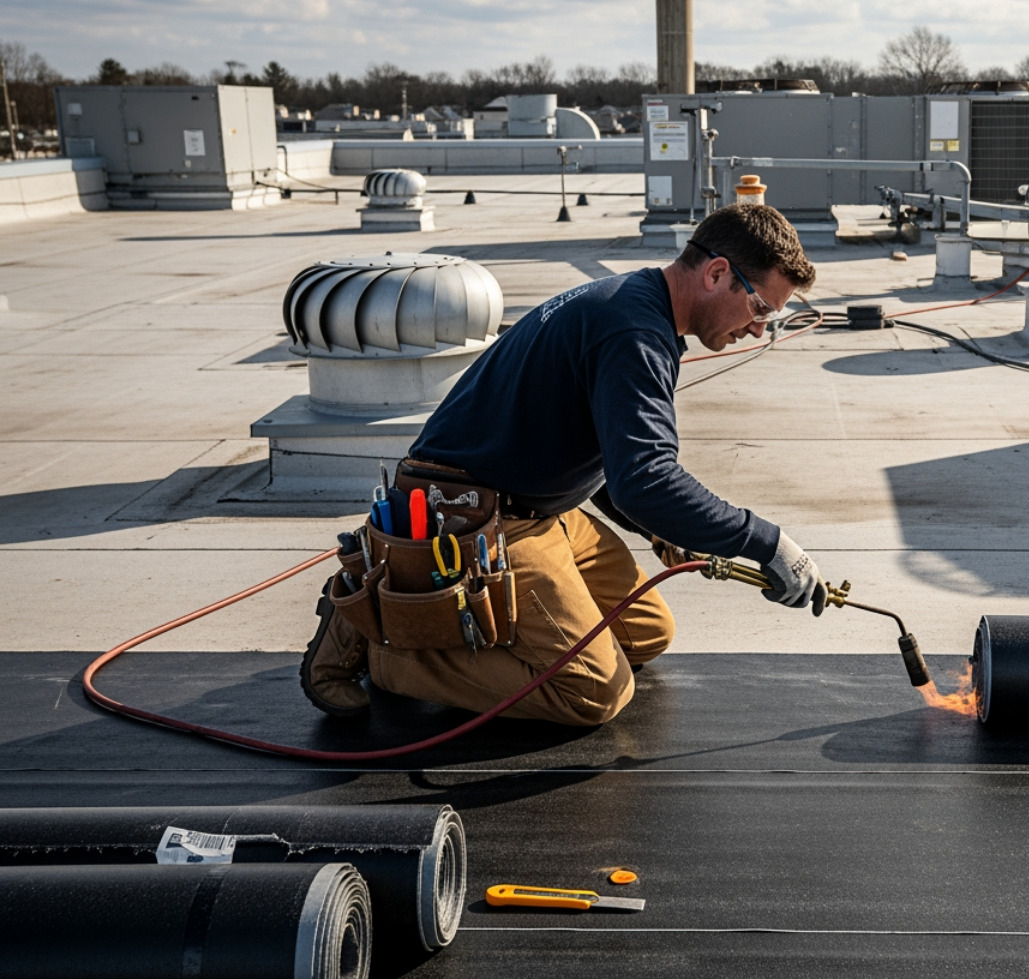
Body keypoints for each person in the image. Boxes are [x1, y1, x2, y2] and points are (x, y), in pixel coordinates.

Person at [300, 204, 827, 727]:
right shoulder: (633, 332)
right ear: (717, 273)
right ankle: (389, 646)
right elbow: (645, 479)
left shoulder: (636, 302)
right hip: (478, 517)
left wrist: (661, 526)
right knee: (594, 691)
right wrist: (769, 543)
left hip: (540, 507)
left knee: (644, 633)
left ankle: (457, 630)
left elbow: (609, 461)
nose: (758, 330)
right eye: (761, 310)